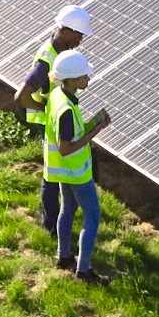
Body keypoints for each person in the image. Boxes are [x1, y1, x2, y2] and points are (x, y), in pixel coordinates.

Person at [17, 5, 89, 243]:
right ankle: (51, 226)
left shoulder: (60, 51)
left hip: (55, 120)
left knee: (55, 172)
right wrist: (47, 111)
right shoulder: (46, 60)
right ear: (66, 30)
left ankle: (61, 217)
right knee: (51, 175)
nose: (81, 38)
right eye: (79, 33)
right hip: (49, 124)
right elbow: (21, 96)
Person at [44, 49, 111, 281]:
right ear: (72, 80)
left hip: (63, 169)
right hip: (77, 172)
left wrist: (90, 126)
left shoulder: (57, 95)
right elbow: (66, 147)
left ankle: (63, 257)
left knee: (68, 209)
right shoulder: (65, 111)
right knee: (92, 216)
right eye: (84, 75)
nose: (88, 78)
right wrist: (96, 130)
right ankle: (83, 271)